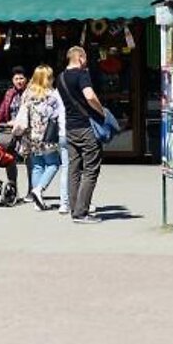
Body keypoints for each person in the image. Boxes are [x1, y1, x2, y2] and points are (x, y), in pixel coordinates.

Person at [55, 46, 108, 223]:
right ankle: (81, 212)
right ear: (80, 58)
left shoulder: (60, 77)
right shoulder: (82, 74)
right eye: (84, 58)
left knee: (73, 168)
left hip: (70, 128)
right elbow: (90, 96)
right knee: (91, 169)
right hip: (86, 127)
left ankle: (74, 209)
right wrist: (102, 111)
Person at [12, 65, 62, 210]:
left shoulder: (27, 93)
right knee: (53, 164)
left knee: (37, 166)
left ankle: (37, 202)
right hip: (47, 135)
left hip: (30, 136)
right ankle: (39, 190)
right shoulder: (51, 94)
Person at [0, 67, 28, 198]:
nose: (19, 81)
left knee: (29, 160)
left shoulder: (30, 93)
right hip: (11, 131)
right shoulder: (9, 93)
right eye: (16, 78)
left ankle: (32, 191)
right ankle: (13, 190)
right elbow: (2, 109)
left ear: (26, 79)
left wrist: (18, 121)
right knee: (10, 160)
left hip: (26, 130)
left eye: (21, 78)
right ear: (12, 80)